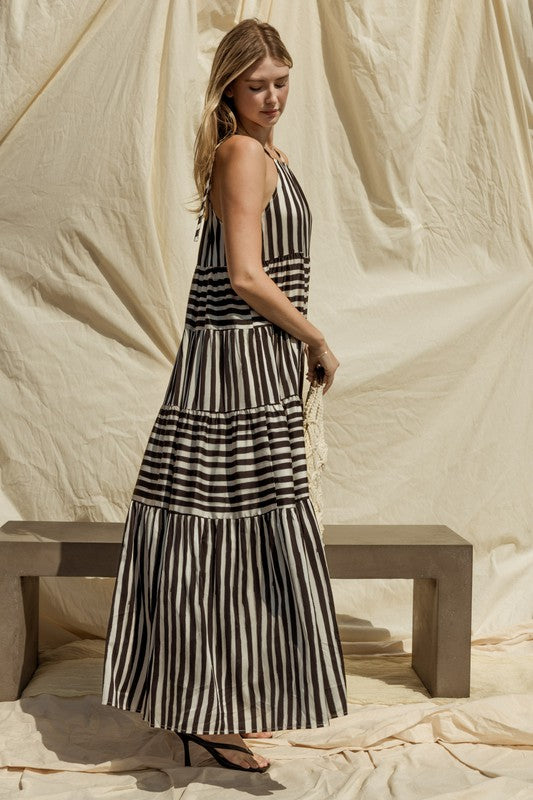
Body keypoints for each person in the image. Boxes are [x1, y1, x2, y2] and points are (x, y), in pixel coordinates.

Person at [101, 17, 348, 775]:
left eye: (280, 82)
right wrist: (313, 336)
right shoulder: (243, 153)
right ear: (230, 89)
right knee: (223, 543)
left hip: (249, 370)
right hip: (232, 378)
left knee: (228, 543)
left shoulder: (260, 149)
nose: (272, 97)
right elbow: (243, 276)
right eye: (256, 85)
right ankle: (203, 719)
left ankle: (213, 707)